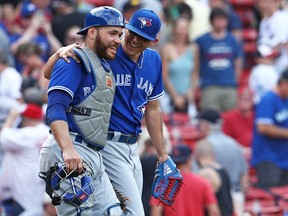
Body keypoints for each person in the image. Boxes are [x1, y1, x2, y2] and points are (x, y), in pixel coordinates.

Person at [43, 8, 172, 216]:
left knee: (116, 211)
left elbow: (154, 109)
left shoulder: (153, 61)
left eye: (144, 37)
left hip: (132, 146)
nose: (135, 40)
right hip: (104, 143)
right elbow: (53, 75)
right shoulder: (107, 51)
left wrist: (162, 154)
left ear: (154, 41)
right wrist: (59, 53)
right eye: (132, 33)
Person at [39, 6, 125, 215]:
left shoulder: (102, 63)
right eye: (112, 33)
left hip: (92, 153)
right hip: (70, 148)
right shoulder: (73, 59)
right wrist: (67, 149)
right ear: (92, 32)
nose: (118, 40)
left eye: (120, 34)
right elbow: (55, 108)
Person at [196, 108, 248, 216]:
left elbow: (199, 178)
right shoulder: (234, 144)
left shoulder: (205, 145)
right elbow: (244, 176)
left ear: (205, 125)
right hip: (237, 195)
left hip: (217, 198)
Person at [0, 103, 49, 216]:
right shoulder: (48, 132)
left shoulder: (27, 133)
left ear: (26, 119)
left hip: (23, 190)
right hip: (41, 186)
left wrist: (11, 118)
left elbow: (3, 137)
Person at [192, 7, 243, 112]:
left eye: (223, 19)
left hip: (229, 86)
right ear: (211, 21)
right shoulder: (201, 40)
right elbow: (196, 63)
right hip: (209, 87)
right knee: (209, 121)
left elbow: (238, 61)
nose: (220, 22)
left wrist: (235, 80)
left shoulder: (232, 40)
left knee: (230, 120)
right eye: (217, 19)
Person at [150, 143, 220, 216]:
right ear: (189, 160)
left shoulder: (162, 184)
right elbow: (213, 211)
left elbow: (156, 211)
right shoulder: (203, 182)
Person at [251, 69, 288, 188]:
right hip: (268, 159)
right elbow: (263, 127)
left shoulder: (285, 100)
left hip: (284, 158)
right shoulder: (268, 99)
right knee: (272, 196)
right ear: (283, 83)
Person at [194, 138, 234, 216]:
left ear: (197, 156)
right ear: (213, 154)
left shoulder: (205, 174)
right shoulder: (223, 171)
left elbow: (212, 207)